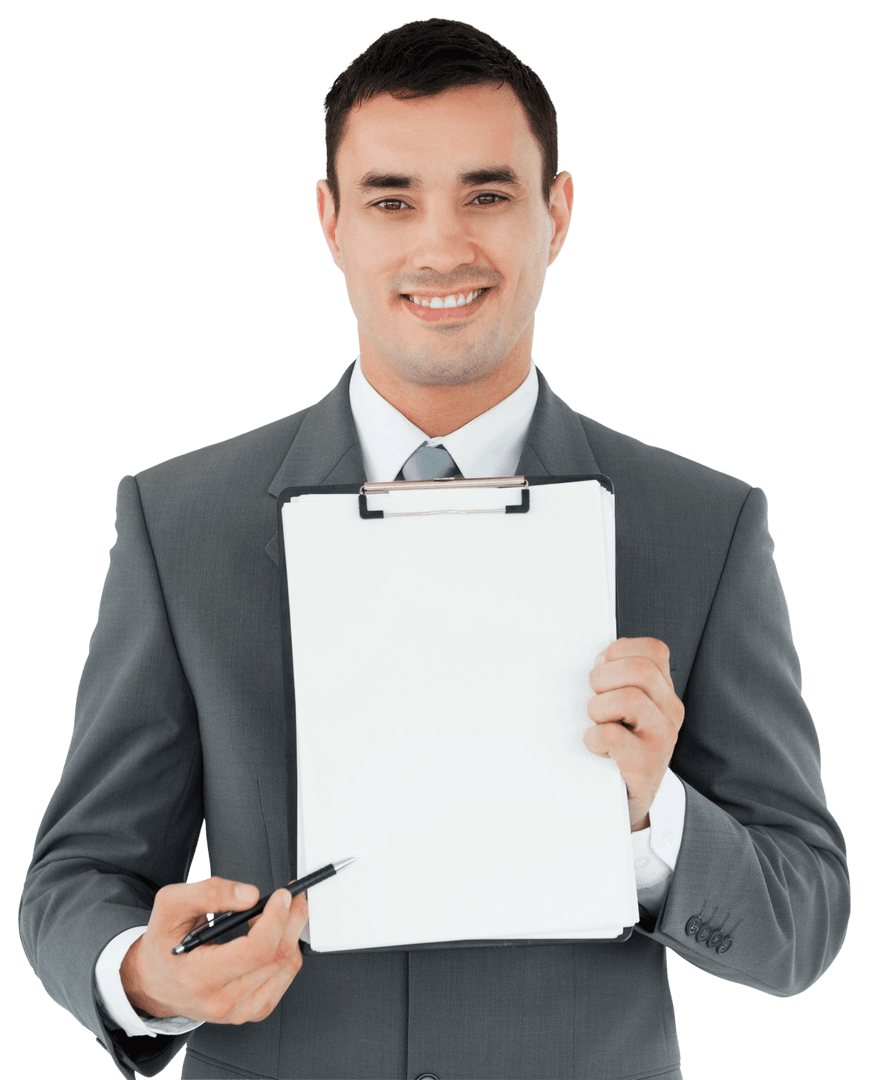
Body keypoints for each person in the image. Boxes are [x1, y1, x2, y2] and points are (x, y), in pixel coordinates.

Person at [20, 17, 849, 1080]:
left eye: (486, 194)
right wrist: (144, 975)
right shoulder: (182, 520)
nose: (440, 247)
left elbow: (802, 921)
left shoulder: (702, 525)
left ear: (556, 214)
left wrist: (655, 816)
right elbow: (79, 873)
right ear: (330, 222)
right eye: (390, 200)